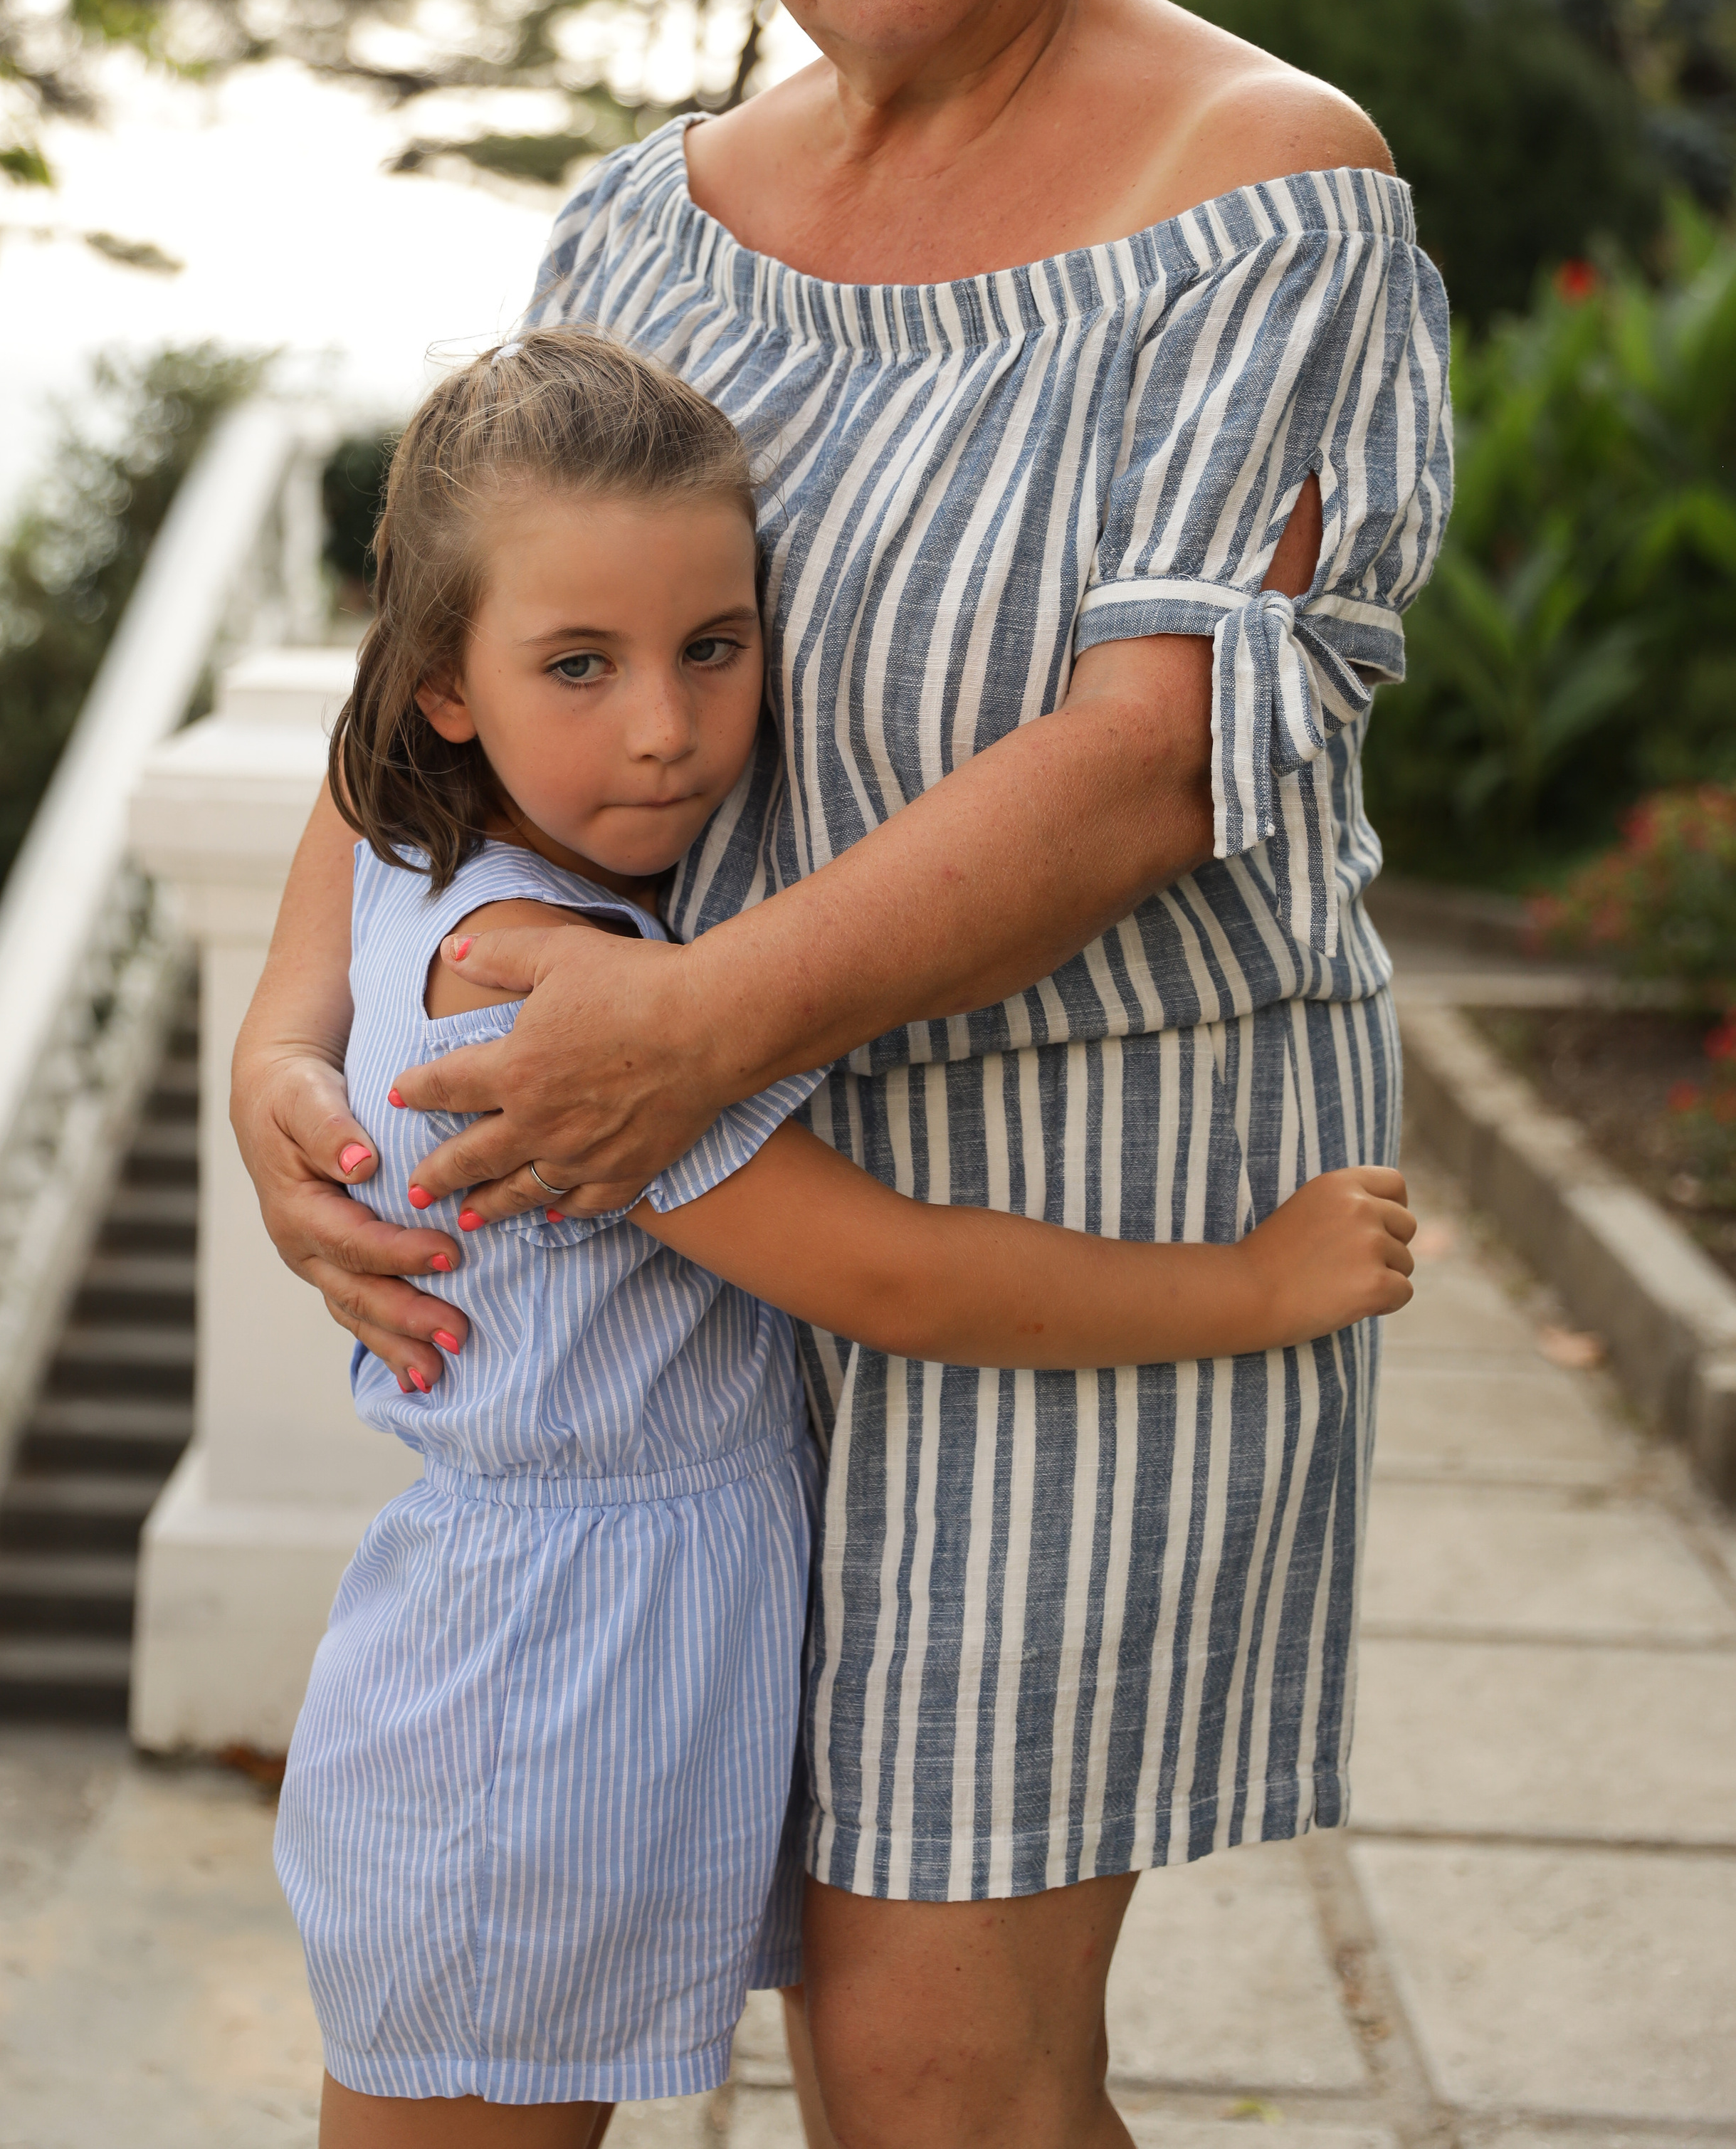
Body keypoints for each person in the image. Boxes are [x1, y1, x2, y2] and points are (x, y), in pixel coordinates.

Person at [234, 0, 1453, 2149]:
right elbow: (446, 655)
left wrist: (684, 1033)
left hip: (1092, 1192)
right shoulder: (640, 230)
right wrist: (287, 1033)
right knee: (589, 2001)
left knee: (930, 2072)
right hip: (692, 1282)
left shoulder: (1268, 204)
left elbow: (1156, 760)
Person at [281, 329, 1416, 2148]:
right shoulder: (557, 991)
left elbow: (347, 837)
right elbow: (889, 1274)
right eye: (578, 664)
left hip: (586, 1656)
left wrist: (281, 1030)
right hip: (540, 1696)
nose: (665, 725)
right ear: (441, 688)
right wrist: (1248, 1283)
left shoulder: (464, 869)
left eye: (712, 649)